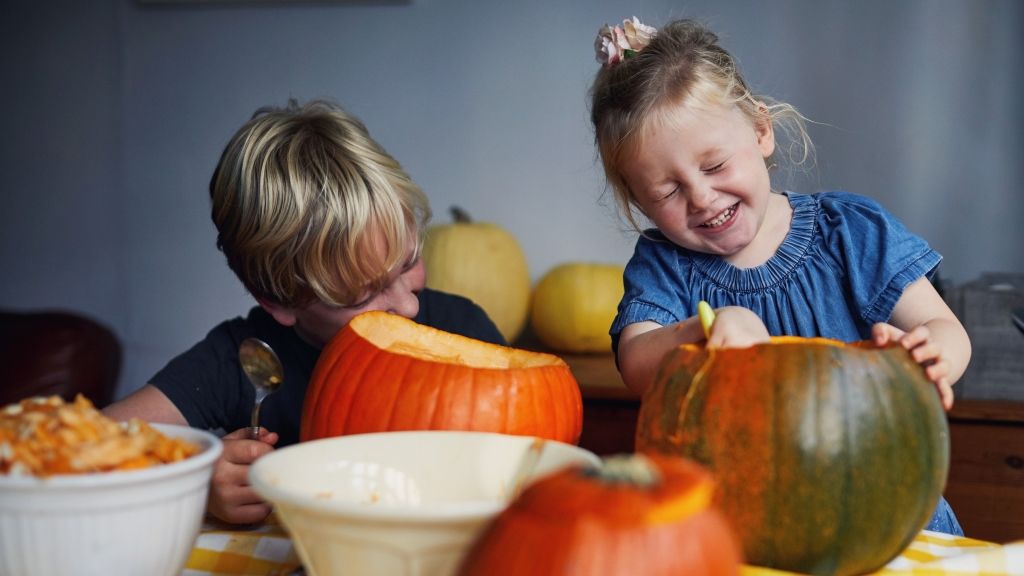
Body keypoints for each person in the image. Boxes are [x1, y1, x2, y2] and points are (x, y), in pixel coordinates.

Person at [590, 18, 971, 534]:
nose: (701, 198)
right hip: (746, 521)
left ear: (761, 132)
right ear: (640, 201)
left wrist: (932, 353)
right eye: (667, 192)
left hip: (884, 505)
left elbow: (945, 328)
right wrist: (706, 328)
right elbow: (636, 362)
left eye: (715, 165)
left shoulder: (849, 232)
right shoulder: (666, 264)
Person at [103, 99, 505, 525]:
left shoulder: (464, 330)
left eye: (408, 263)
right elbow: (90, 448)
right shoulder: (245, 361)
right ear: (278, 301)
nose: (408, 304)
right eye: (360, 295)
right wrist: (194, 482)